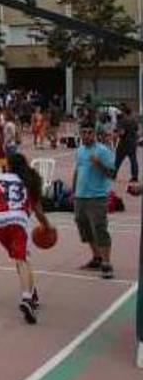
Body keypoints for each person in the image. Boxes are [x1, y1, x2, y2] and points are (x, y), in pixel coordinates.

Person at [0, 153, 52, 324]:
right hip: (17, 220)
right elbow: (39, 212)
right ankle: (27, 298)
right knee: (22, 259)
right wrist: (47, 227)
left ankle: (32, 293)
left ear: (8, 166)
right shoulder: (29, 182)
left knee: (21, 258)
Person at [74, 121, 117, 279]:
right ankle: (97, 257)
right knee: (84, 226)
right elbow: (77, 171)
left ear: (95, 134)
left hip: (97, 196)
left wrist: (99, 164)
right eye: (83, 132)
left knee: (99, 228)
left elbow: (112, 174)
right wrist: (74, 190)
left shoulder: (103, 151)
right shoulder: (79, 151)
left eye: (89, 132)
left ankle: (107, 263)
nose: (86, 135)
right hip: (80, 196)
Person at [114, 103, 139, 184]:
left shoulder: (123, 120)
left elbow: (122, 132)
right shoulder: (134, 119)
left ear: (123, 111)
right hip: (133, 142)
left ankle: (113, 174)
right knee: (133, 160)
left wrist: (116, 134)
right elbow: (137, 130)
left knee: (118, 159)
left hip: (124, 143)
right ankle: (135, 177)